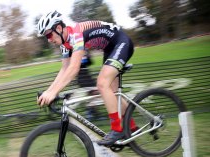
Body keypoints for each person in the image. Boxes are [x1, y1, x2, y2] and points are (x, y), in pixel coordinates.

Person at [36, 10, 138, 146]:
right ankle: (132, 127)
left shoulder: (76, 34)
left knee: (102, 84)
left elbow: (73, 68)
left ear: (59, 28)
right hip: (110, 49)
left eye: (49, 34)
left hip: (121, 42)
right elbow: (64, 69)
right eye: (46, 37)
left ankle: (117, 129)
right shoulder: (65, 44)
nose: (49, 39)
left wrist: (53, 92)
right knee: (113, 94)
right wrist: (49, 91)